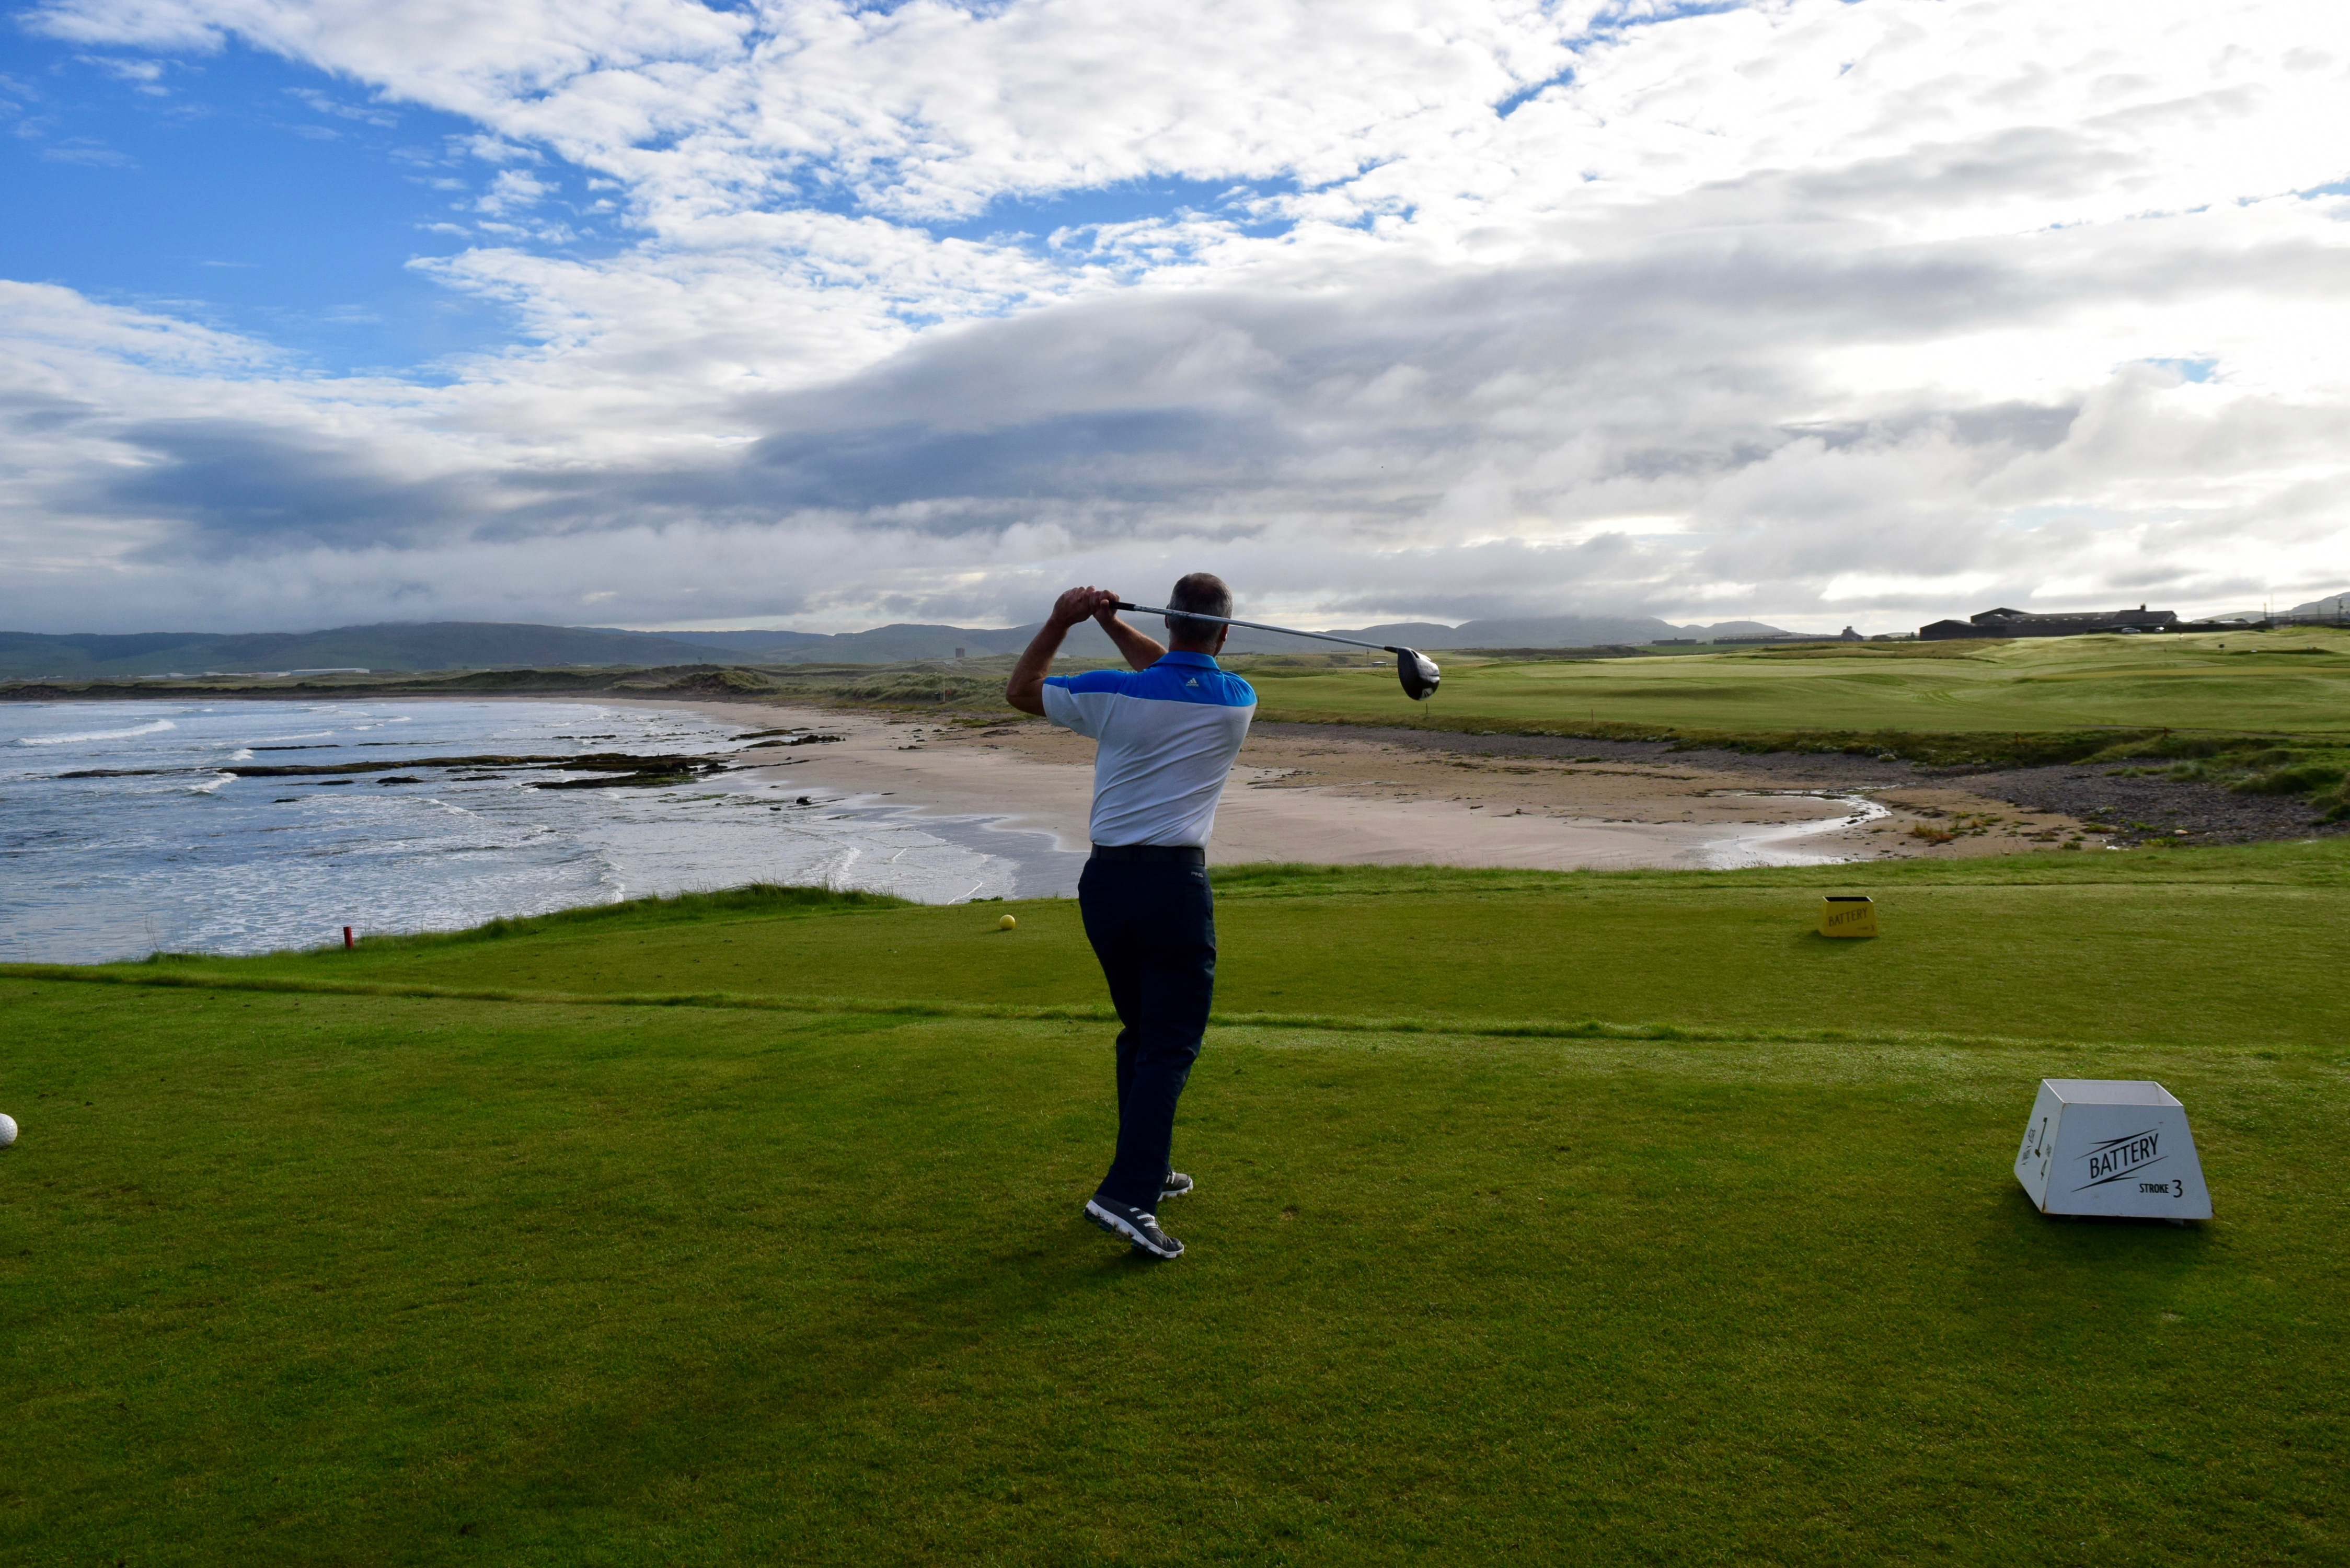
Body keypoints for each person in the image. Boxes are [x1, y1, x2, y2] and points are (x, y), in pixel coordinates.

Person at [1005, 573, 1257, 1261]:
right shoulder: (1237, 700)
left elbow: (1022, 692)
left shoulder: (1112, 694)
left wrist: (1066, 622)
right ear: (1225, 636)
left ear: (1171, 624)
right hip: (1173, 886)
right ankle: (1128, 1195)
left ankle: (1144, 1170)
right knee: (1170, 1044)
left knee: (1142, 1034)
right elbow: (1179, 672)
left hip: (1106, 885)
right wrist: (1115, 627)